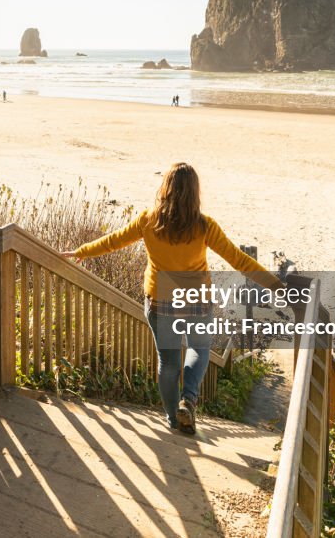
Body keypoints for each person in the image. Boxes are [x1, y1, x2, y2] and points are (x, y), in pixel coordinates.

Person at [61, 163, 281, 435]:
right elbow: (239, 259)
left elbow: (114, 241)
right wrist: (276, 285)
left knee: (168, 363)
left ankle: (173, 421)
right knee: (200, 349)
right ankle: (188, 399)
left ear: (165, 189)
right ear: (194, 193)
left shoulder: (148, 220)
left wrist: (82, 251)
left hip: (160, 301)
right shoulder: (204, 226)